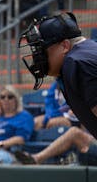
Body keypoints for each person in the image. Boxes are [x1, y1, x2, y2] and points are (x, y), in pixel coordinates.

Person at [20, 12, 97, 140]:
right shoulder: (88, 51)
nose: (37, 58)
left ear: (64, 46)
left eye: (41, 50)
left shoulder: (76, 62)